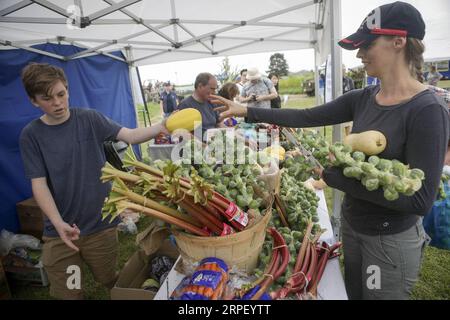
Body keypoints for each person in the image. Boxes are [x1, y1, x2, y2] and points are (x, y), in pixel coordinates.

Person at [211, 2, 449, 300]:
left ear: (398, 42)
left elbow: (420, 199)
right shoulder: (363, 97)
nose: (359, 53)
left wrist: (337, 180)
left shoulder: (427, 109)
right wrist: (246, 110)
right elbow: (307, 117)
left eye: (367, 45)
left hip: (388, 240)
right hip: (353, 226)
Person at [19, 63, 168, 299]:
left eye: (61, 94)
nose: (57, 103)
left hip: (100, 225)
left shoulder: (89, 119)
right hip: (60, 233)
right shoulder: (31, 135)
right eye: (47, 98)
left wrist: (163, 126)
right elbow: (39, 184)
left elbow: (129, 135)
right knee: (70, 291)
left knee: (109, 278)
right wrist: (58, 223)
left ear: (67, 90)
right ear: (34, 101)